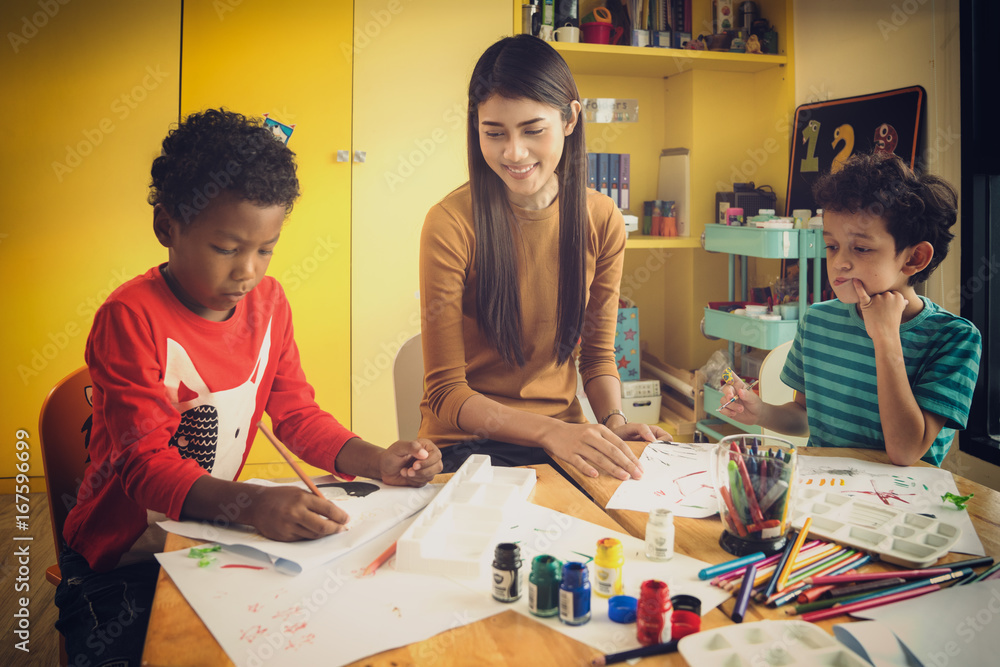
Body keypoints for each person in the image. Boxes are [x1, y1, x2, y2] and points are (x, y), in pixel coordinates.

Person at [55, 109, 442, 666]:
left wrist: (376, 459)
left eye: (266, 249)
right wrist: (253, 503)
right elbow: (144, 466)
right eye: (226, 248)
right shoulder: (129, 318)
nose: (248, 273)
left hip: (205, 536)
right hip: (122, 560)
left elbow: (297, 416)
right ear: (168, 227)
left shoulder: (268, 304)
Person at [418, 35, 668, 482]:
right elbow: (446, 393)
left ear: (570, 118)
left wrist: (612, 422)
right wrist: (551, 433)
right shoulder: (450, 223)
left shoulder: (601, 217)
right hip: (467, 448)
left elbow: (596, 357)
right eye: (494, 133)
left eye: (533, 130)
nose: (514, 153)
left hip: (562, 441)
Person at [720, 151, 981, 467]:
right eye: (832, 246)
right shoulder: (817, 321)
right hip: (826, 490)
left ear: (914, 258)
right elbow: (805, 417)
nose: (839, 262)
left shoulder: (954, 338)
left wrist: (886, 338)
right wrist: (762, 412)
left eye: (861, 248)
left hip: (900, 502)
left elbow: (906, 452)